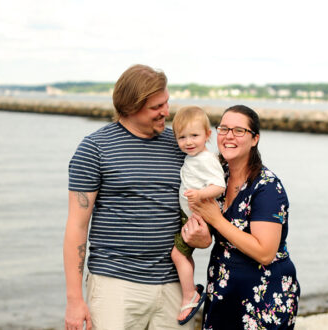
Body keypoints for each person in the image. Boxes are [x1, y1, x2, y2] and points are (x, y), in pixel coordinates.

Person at [63, 64, 212, 330]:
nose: (166, 112)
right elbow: (77, 225)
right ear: (131, 107)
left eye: (166, 103)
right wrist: (75, 300)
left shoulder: (180, 145)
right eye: (157, 107)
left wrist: (204, 237)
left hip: (174, 286)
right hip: (115, 286)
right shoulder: (94, 149)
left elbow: (203, 202)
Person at [187, 105, 300, 329]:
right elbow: (213, 237)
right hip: (223, 292)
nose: (229, 136)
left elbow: (265, 253)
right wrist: (198, 237)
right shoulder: (218, 176)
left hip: (265, 297)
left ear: (255, 139)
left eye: (239, 131)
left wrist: (217, 220)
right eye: (224, 129)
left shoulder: (266, 186)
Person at [170, 106, 225, 325]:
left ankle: (189, 295)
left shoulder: (205, 159)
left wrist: (201, 194)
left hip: (197, 217)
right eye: (182, 137)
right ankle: (189, 289)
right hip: (191, 215)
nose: (188, 141)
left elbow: (219, 186)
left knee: (177, 254)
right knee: (184, 255)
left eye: (194, 135)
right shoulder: (194, 157)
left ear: (208, 135)